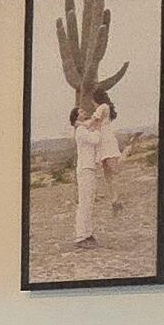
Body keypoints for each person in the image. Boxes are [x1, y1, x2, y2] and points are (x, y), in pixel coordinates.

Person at [70, 92, 123, 246]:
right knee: (85, 203)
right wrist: (98, 127)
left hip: (89, 169)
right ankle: (81, 236)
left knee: (89, 202)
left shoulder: (83, 129)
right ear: (76, 117)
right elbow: (96, 139)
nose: (84, 112)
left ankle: (87, 233)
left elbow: (93, 131)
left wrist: (95, 125)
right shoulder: (80, 131)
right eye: (80, 112)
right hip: (85, 169)